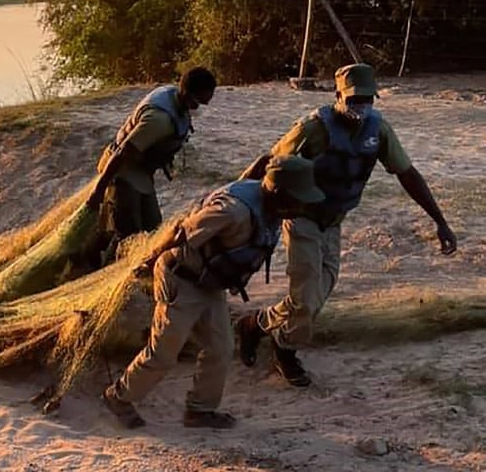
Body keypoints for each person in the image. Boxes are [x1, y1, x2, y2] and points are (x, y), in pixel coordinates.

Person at [236, 63, 458, 387]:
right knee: (306, 301)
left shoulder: (378, 130)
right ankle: (285, 350)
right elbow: (268, 164)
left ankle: (255, 324)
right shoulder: (313, 128)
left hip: (334, 223)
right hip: (302, 220)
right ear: (337, 95)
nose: (361, 107)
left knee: (315, 296)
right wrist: (235, 201)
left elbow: (407, 174)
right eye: (354, 99)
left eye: (368, 99)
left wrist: (440, 221)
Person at [102, 155, 325, 429]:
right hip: (180, 279)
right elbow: (183, 232)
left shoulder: (271, 205)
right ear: (278, 193)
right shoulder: (233, 211)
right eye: (298, 199)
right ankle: (119, 397)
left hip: (210, 285)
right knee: (164, 351)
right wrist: (148, 262)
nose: (302, 206)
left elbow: (261, 165)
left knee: (221, 347)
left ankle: (199, 410)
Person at [85, 67, 217, 267]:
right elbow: (122, 153)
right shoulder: (159, 120)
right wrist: (98, 191)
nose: (197, 108)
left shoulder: (172, 97)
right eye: (197, 102)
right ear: (185, 92)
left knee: (153, 229)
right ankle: (104, 272)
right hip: (123, 172)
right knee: (129, 236)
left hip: (142, 175)